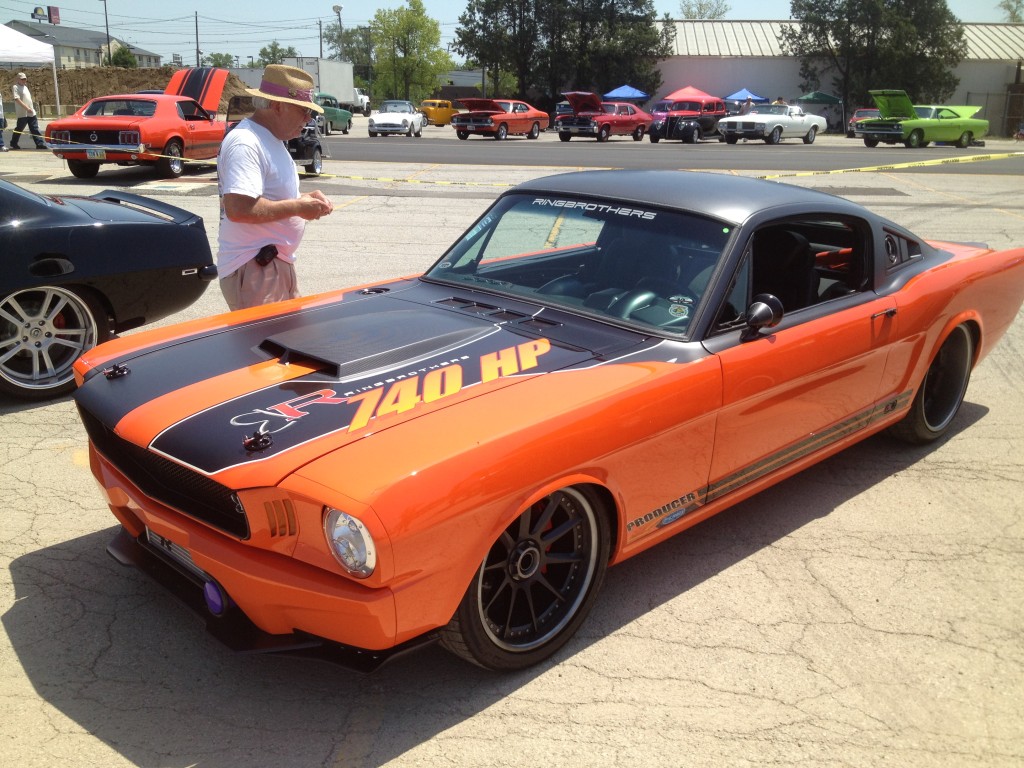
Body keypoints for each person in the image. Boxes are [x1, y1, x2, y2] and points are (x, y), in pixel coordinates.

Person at [216, 64, 335, 311]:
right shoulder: (246, 143)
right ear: (278, 106)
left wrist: (304, 199)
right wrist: (298, 207)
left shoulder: (271, 139)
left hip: (270, 266)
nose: (308, 119)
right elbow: (239, 208)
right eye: (303, 111)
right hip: (256, 268)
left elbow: (269, 197)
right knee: (267, 347)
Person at [10, 72, 47, 150]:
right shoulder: (15, 87)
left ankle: (40, 143)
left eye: (25, 79)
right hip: (23, 113)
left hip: (31, 112)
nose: (24, 80)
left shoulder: (25, 87)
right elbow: (17, 99)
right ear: (18, 79)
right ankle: (13, 143)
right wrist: (26, 108)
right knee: (19, 129)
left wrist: (31, 109)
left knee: (35, 128)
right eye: (22, 79)